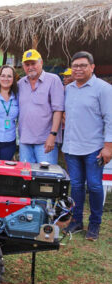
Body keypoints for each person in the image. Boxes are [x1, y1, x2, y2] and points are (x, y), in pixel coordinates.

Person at [62, 51, 112, 241]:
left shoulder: (103, 89)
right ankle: (76, 221)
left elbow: (110, 119)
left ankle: (95, 224)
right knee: (75, 186)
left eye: (83, 65)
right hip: (71, 147)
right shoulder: (69, 89)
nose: (78, 69)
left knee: (94, 186)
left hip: (94, 148)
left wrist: (108, 147)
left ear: (92, 67)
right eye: (75, 66)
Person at [18, 49, 64, 164]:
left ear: (41, 63)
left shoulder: (53, 80)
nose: (30, 67)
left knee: (46, 178)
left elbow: (58, 110)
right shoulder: (20, 84)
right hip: (25, 141)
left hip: (45, 141)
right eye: (27, 64)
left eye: (33, 63)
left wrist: (52, 135)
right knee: (26, 177)